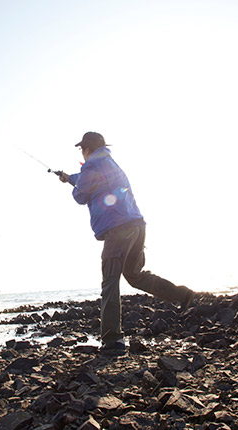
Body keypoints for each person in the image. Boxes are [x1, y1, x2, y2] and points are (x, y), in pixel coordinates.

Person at [59, 131, 195, 353]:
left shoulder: (90, 168)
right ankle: (181, 295)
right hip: (137, 227)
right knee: (135, 275)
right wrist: (69, 177)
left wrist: (73, 182)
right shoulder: (109, 163)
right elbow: (88, 181)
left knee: (110, 283)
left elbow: (80, 196)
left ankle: (113, 341)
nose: (82, 152)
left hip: (117, 232)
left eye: (82, 148)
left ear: (87, 149)